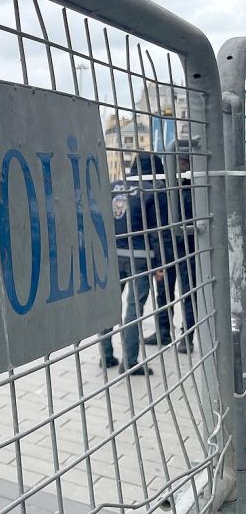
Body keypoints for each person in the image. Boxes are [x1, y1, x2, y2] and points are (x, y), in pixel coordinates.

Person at [100, 153, 172, 376]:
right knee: (134, 308)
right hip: (140, 256)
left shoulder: (113, 187)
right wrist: (160, 263)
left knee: (109, 306)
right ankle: (130, 361)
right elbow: (158, 230)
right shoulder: (152, 190)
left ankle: (106, 355)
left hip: (112, 255)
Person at [147, 149, 197, 353]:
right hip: (167, 248)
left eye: (184, 163)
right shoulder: (164, 189)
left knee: (188, 294)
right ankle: (162, 332)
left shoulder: (194, 189)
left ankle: (187, 337)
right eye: (178, 162)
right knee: (162, 293)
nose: (180, 166)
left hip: (188, 248)